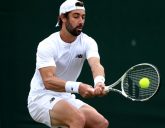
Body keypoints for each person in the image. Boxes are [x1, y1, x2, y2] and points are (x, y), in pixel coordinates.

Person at [27, 0, 109, 128]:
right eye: (76, 16)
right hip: (40, 98)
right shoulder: (47, 45)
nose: (81, 21)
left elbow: (96, 65)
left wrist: (99, 82)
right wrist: (78, 87)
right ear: (63, 18)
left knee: (100, 123)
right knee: (77, 119)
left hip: (65, 97)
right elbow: (48, 81)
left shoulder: (88, 42)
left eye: (83, 17)